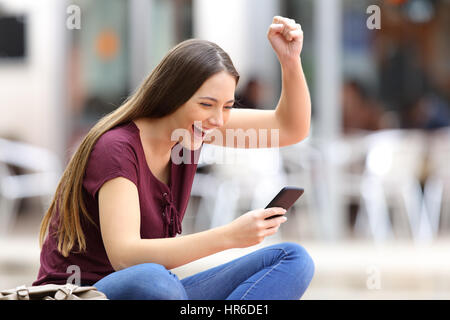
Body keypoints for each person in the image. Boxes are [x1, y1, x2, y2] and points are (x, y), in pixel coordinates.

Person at [33, 16, 314, 300]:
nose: (218, 119)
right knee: (155, 280)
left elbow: (291, 128)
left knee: (292, 259)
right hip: (86, 293)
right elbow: (126, 257)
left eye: (227, 106)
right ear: (172, 96)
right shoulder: (116, 148)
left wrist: (290, 61)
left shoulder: (192, 132)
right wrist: (229, 236)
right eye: (206, 104)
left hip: (161, 292)